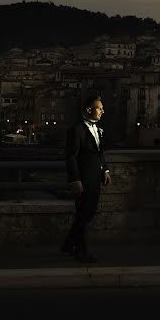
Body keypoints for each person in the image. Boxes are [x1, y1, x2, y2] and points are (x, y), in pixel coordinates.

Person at [60, 94, 111, 263]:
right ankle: (82, 251)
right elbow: (71, 157)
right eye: (99, 108)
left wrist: (105, 170)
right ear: (89, 109)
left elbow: (100, 153)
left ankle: (68, 244)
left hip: (95, 179)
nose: (103, 111)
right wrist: (75, 180)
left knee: (88, 213)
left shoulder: (98, 129)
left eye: (102, 108)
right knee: (83, 214)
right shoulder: (76, 130)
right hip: (82, 179)